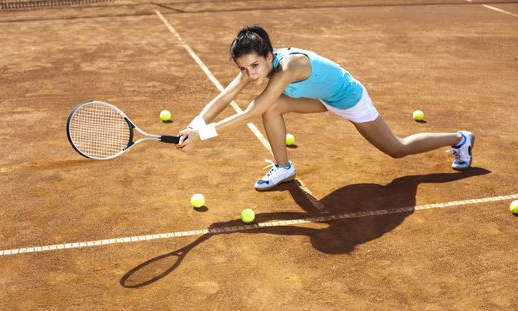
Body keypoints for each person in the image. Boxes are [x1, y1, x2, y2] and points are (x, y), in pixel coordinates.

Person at [176, 25, 474, 191]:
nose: (251, 74)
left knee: (397, 149)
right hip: (320, 99)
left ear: (269, 56)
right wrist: (193, 126)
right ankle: (284, 168)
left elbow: (251, 113)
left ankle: (459, 139)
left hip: (348, 99)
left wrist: (204, 136)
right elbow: (224, 98)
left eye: (255, 66)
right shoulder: (255, 67)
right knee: (269, 106)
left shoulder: (291, 66)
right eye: (244, 68)